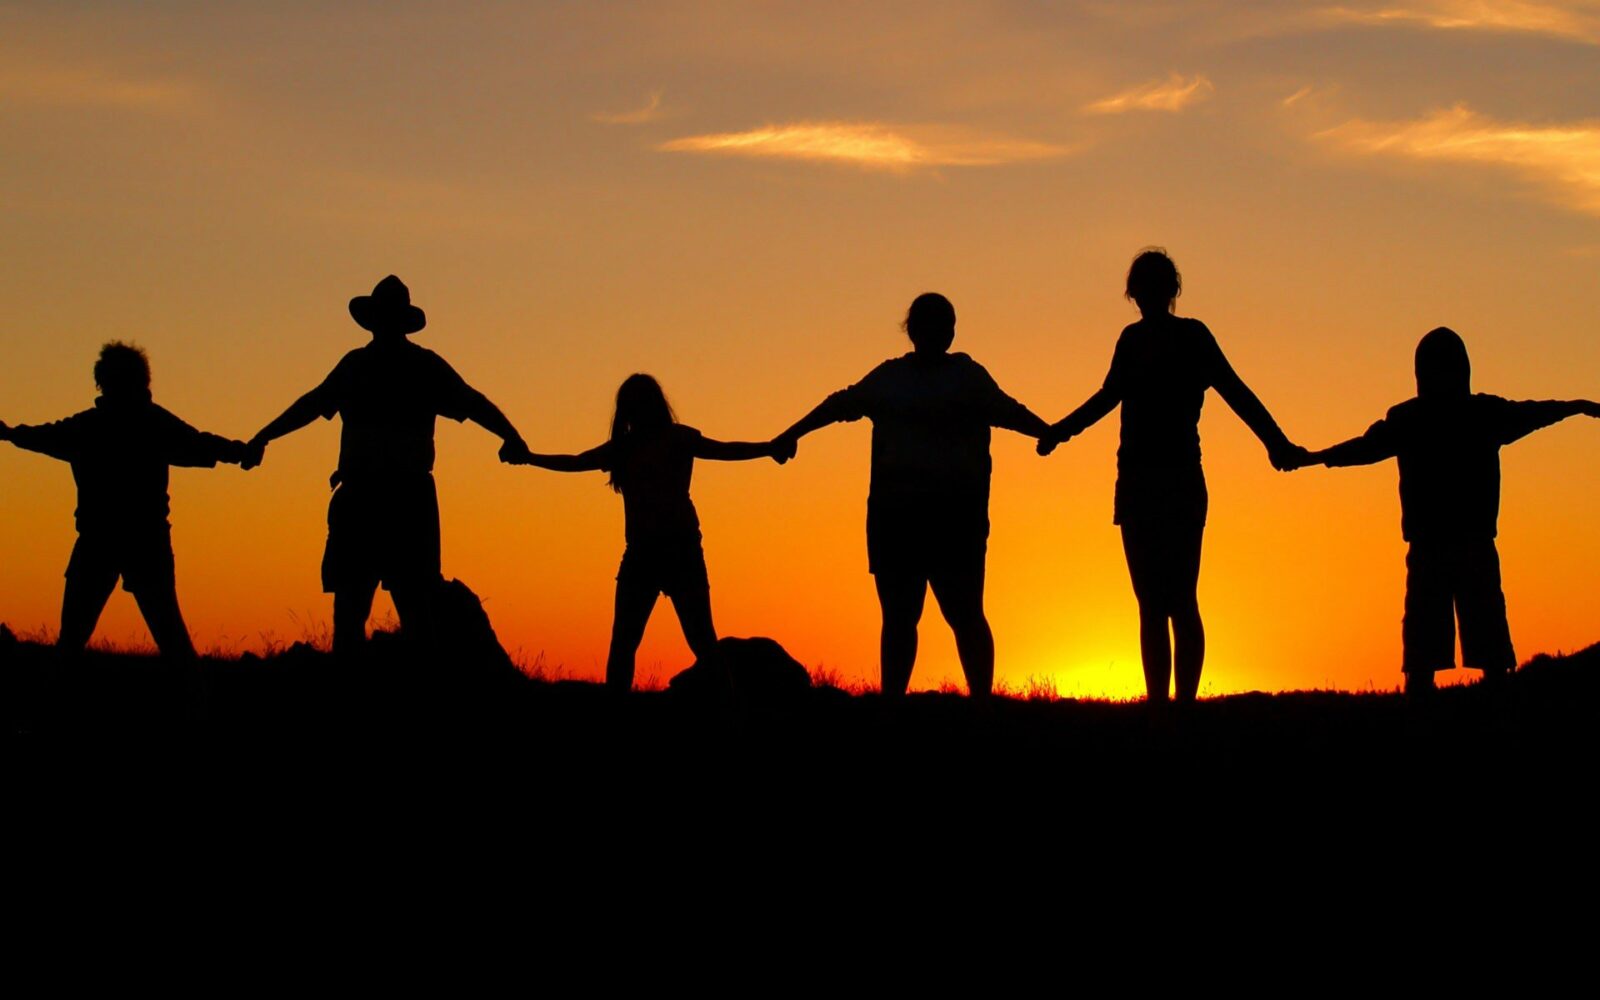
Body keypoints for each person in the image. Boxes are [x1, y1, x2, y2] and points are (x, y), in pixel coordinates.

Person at [1037, 249, 1303, 705]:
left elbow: (1233, 390)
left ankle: (1176, 706)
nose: (1145, 296)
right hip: (1147, 481)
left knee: (1173, 600)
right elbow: (1110, 397)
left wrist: (1275, 442)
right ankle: (1166, 706)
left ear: (1161, 291)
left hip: (1170, 480)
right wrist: (1060, 431)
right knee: (1162, 602)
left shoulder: (1187, 337)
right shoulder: (1138, 340)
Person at [1288, 327, 1598, 696]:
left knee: (1451, 644)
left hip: (1448, 545)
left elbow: (1365, 448)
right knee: (1456, 644)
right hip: (1455, 544)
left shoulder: (1421, 418)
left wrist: (1315, 458)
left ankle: (1437, 719)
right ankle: (1485, 715)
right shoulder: (1476, 414)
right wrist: (1576, 406)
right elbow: (1365, 448)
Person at [774, 293, 1050, 699]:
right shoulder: (900, 378)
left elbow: (1007, 410)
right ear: (914, 331)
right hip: (905, 516)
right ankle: (906, 704)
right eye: (934, 324)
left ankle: (968, 704)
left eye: (945, 324)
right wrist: (791, 434)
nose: (941, 332)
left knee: (957, 614)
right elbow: (840, 404)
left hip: (947, 517)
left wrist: (1046, 431)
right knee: (911, 616)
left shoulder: (956, 377)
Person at [244, 275, 529, 657]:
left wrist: (263, 437)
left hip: (378, 499)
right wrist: (511, 437)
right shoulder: (409, 366)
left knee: (379, 608)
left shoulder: (364, 366)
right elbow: (472, 402)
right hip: (393, 499)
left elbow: (311, 404)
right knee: (394, 608)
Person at [503, 374, 786, 691]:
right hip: (646, 554)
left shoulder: (674, 440)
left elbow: (725, 450)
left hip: (677, 551)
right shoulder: (627, 448)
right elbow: (577, 462)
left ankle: (727, 714)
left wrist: (768, 448)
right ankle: (632, 711)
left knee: (694, 640)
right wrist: (529, 458)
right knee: (633, 641)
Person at [0, 342, 247, 658]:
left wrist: (10, 434)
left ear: (103, 382)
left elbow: (44, 436)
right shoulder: (150, 421)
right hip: (140, 540)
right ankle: (194, 702)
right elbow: (197, 444)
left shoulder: (90, 426)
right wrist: (238, 452)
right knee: (170, 638)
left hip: (102, 539)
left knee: (74, 640)